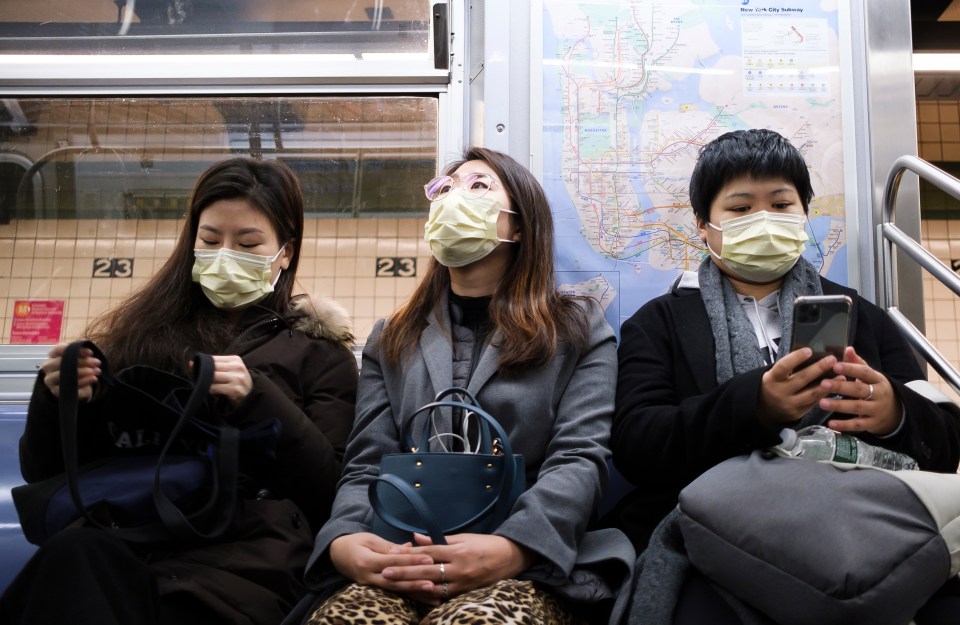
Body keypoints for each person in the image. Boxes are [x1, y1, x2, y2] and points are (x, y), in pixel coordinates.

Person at [609, 128, 960, 624]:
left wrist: (894, 414)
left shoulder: (862, 316)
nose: (764, 220)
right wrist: (755, 405)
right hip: (713, 539)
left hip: (855, 529)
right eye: (740, 208)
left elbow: (943, 447)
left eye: (780, 204)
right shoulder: (658, 323)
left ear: (804, 215)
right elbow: (638, 446)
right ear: (703, 225)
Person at [0, 157, 359, 625]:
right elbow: (51, 473)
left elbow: (329, 488)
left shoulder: (320, 354)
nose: (224, 254)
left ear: (285, 252)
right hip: (137, 536)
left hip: (245, 563)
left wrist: (259, 399)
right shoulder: (141, 335)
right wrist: (56, 401)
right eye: (210, 240)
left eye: (248, 243)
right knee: (76, 554)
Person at [299, 147, 635, 625]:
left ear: (519, 224)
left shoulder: (577, 328)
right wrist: (345, 541)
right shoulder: (390, 337)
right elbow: (365, 463)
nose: (453, 196)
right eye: (443, 189)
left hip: (524, 563)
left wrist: (514, 547)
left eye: (478, 186)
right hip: (400, 554)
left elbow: (579, 457)